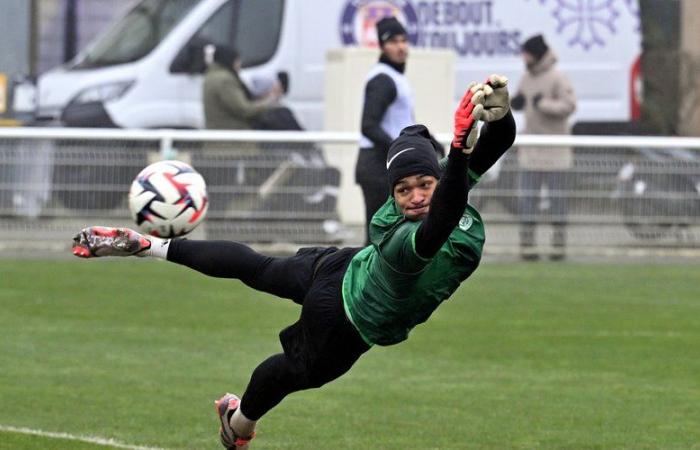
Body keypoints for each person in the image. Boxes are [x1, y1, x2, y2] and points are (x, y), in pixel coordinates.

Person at [71, 76, 515, 450]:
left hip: (343, 266)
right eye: (403, 190)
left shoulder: (435, 190)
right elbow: (440, 221)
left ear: (437, 177)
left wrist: (500, 115)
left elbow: (493, 149)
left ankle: (149, 246)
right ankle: (237, 422)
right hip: (346, 317)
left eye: (423, 184)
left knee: (260, 268)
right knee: (292, 373)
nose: (415, 196)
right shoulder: (403, 235)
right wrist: (458, 151)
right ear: (392, 196)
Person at [510, 34, 577, 261]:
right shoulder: (526, 78)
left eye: (527, 53)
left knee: (558, 200)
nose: (524, 58)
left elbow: (569, 105)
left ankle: (558, 246)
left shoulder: (558, 77)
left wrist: (543, 104)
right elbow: (522, 99)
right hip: (531, 150)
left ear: (536, 54)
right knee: (528, 199)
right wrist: (516, 102)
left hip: (556, 150)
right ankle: (527, 245)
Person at [356, 16, 418, 245]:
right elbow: (368, 125)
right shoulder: (383, 79)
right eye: (393, 41)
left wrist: (426, 141)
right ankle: (359, 281)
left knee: (388, 237)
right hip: (377, 164)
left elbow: (403, 121)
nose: (401, 46)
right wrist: (398, 147)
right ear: (382, 46)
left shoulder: (395, 77)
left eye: (403, 40)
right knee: (377, 240)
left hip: (385, 163)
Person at [203, 46, 300, 130]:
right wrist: (269, 101)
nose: (239, 64)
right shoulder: (224, 80)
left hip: (230, 128)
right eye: (237, 61)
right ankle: (306, 145)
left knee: (281, 115)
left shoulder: (213, 76)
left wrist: (263, 99)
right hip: (236, 132)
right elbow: (245, 109)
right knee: (282, 115)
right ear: (230, 60)